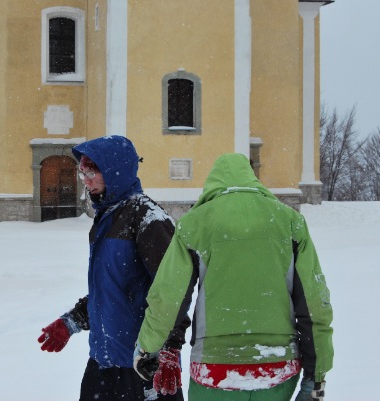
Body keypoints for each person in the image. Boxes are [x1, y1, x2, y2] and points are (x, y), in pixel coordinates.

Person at [133, 153, 333, 401]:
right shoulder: (290, 221)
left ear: (213, 183)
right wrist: (316, 376)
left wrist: (147, 348)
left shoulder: (194, 224)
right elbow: (314, 304)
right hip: (277, 363)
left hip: (214, 365)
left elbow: (168, 297)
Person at [38, 135, 190, 401]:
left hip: (142, 364)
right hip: (104, 361)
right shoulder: (107, 217)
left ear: (114, 171)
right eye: (83, 172)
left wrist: (170, 348)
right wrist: (73, 321)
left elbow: (174, 289)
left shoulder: (149, 219)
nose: (86, 180)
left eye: (92, 172)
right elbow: (112, 290)